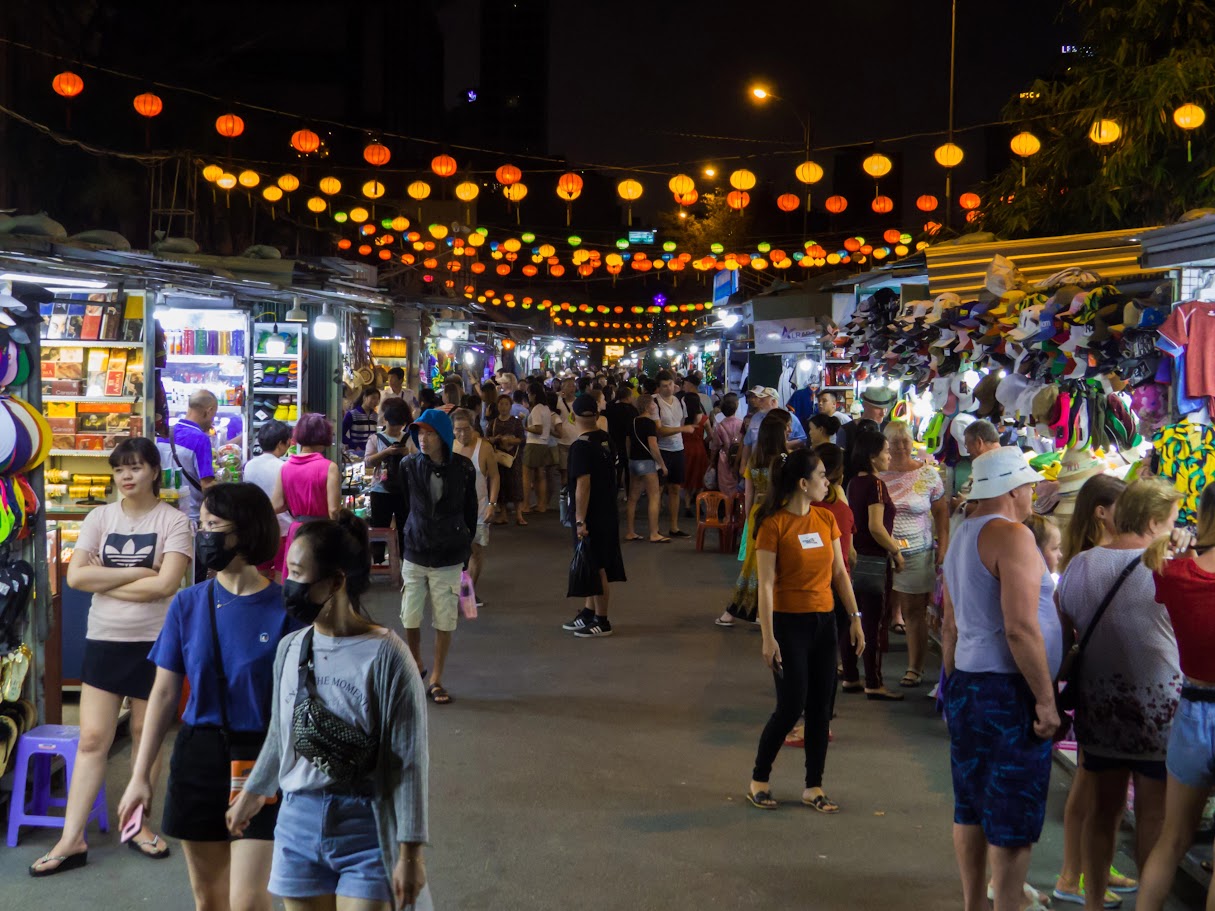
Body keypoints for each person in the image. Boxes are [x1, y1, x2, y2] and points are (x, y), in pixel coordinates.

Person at [225, 512, 429, 911]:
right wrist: (253, 793)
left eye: (299, 573)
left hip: (366, 824)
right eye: (288, 569)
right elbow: (283, 732)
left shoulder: (388, 657)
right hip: (297, 822)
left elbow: (409, 761)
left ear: (335, 581)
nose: (288, 583)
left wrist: (411, 854)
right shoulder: (290, 649)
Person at [117, 483, 295, 911]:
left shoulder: (287, 609)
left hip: (263, 758)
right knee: (210, 901)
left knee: (249, 901)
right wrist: (140, 776)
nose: (204, 534)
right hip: (199, 756)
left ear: (245, 532)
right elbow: (163, 694)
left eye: (214, 526)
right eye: (203, 525)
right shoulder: (188, 603)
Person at [30, 438, 193, 876]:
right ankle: (72, 838)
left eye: (136, 467)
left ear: (155, 472)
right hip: (104, 638)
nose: (126, 476)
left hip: (156, 642)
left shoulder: (175, 522)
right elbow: (77, 576)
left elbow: (167, 586)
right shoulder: (100, 516)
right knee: (91, 739)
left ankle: (137, 827)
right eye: (119, 469)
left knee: (146, 736)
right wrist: (141, 571)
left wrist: (110, 579)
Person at [940, 446, 1061, 911]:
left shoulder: (961, 533)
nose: (1032, 492)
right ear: (1014, 489)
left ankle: (975, 903)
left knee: (970, 805)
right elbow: (1020, 627)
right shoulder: (1012, 536)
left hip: (970, 683)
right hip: (1008, 690)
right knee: (1012, 813)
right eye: (1029, 485)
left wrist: (953, 688)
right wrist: (1046, 701)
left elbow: (949, 625)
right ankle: (1008, 903)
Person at [1056, 479, 1183, 911]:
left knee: (1103, 812)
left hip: (1100, 704)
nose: (1175, 528)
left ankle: (1092, 901)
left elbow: (1063, 627)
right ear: (1151, 521)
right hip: (1159, 709)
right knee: (1153, 817)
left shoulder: (1079, 565)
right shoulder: (1166, 568)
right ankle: (1150, 904)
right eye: (1170, 520)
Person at [746, 448, 865, 813]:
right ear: (803, 483)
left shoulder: (826, 521)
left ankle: (813, 786)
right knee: (790, 705)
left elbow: (840, 574)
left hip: (825, 623)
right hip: (788, 624)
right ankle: (759, 780)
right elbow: (764, 586)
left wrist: (855, 617)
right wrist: (768, 637)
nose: (827, 482)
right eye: (822, 476)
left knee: (819, 709)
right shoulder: (773, 525)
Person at [1051, 472, 1133, 907]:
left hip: (1108, 683)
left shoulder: (1096, 557)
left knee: (1105, 789)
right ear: (1102, 512)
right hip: (1097, 685)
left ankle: (1093, 864)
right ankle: (1070, 874)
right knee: (1087, 784)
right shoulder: (1089, 561)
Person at [1136, 483, 1215, 911]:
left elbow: (1169, 570)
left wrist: (1184, 550)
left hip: (1191, 712)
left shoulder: (1176, 574)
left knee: (1172, 840)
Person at [399, 408, 478, 705]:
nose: (422, 438)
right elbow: (405, 504)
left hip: (449, 553)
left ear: (442, 436)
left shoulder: (464, 468)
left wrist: (464, 543)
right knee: (410, 614)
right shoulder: (408, 466)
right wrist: (411, 532)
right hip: (415, 550)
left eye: (429, 433)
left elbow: (469, 509)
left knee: (445, 620)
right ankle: (417, 664)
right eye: (419, 432)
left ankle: (437, 679)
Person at [880, 421, 948, 688]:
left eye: (905, 441)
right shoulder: (878, 473)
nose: (900, 447)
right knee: (873, 606)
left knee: (913, 610)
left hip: (917, 551)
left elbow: (941, 513)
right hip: (880, 550)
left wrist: (943, 545)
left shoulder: (928, 474)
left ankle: (914, 667)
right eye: (895, 442)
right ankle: (860, 661)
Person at [844, 430, 905, 700]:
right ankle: (874, 681)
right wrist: (896, 551)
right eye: (886, 451)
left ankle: (851, 676)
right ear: (872, 456)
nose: (889, 455)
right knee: (874, 623)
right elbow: (876, 527)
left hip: (854, 557)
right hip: (875, 560)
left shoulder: (852, 483)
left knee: (852, 617)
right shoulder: (876, 485)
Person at [562, 396, 626, 638]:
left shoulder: (580, 447)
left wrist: (580, 519)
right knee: (590, 562)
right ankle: (589, 612)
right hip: (607, 510)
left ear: (573, 417)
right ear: (597, 416)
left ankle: (602, 619)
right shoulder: (606, 440)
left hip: (591, 515)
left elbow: (583, 485)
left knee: (596, 565)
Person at [717, 416, 789, 626]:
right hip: (781, 514)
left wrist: (749, 518)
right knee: (776, 564)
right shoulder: (786, 459)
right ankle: (753, 612)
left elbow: (748, 494)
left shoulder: (755, 460)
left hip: (758, 513)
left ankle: (743, 611)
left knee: (754, 562)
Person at [272, 414, 341, 577]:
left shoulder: (286, 467)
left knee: (296, 578)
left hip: (297, 530)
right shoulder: (329, 467)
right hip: (322, 532)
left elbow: (277, 505)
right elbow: (334, 510)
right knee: (322, 579)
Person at [452, 408, 500, 593]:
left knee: (475, 550)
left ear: (473, 427)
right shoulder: (449, 447)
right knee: (456, 550)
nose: (462, 433)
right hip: (454, 508)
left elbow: (495, 477)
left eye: (465, 429)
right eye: (458, 429)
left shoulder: (484, 448)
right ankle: (459, 588)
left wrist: (492, 504)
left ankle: (468, 591)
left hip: (479, 507)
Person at [365, 397, 413, 562]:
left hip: (404, 490)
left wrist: (407, 454)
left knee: (405, 528)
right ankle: (378, 560)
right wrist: (386, 453)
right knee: (379, 528)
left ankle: (405, 563)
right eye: (393, 424)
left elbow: (419, 462)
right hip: (380, 490)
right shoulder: (375, 439)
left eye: (399, 424)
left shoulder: (409, 438)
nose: (395, 429)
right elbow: (368, 461)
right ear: (386, 420)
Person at [244, 420, 293, 569]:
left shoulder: (249, 465)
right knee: (280, 574)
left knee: (260, 574)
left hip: (258, 529)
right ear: (280, 444)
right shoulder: (284, 467)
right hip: (282, 530)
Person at [654, 370, 696, 537]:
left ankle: (674, 526)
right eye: (664, 386)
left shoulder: (680, 402)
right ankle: (654, 527)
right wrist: (681, 429)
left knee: (675, 489)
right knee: (658, 489)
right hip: (661, 450)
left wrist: (680, 429)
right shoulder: (654, 403)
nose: (668, 388)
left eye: (670, 384)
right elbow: (659, 430)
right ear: (658, 388)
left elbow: (681, 421)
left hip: (678, 450)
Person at [624, 393, 669, 544]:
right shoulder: (650, 424)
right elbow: (653, 446)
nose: (654, 405)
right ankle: (654, 533)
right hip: (647, 463)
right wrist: (662, 464)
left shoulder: (633, 422)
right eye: (652, 403)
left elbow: (628, 443)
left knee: (632, 498)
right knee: (654, 497)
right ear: (646, 406)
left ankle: (630, 532)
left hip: (634, 462)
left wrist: (631, 458)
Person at [169, 389, 219, 523]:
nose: (212, 422)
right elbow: (206, 484)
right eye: (213, 416)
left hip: (165, 512)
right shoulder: (200, 439)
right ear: (208, 411)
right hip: (190, 516)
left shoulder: (166, 433)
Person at [738, 387, 808, 472]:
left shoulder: (789, 418)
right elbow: (747, 443)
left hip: (781, 467)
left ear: (773, 401)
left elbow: (803, 440)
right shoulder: (755, 418)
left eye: (762, 400)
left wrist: (784, 445)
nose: (759, 403)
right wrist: (743, 465)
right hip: (758, 465)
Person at [486, 393, 527, 526]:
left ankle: (519, 515)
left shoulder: (516, 422)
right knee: (501, 484)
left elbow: (522, 439)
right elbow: (487, 439)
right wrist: (495, 439)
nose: (503, 407)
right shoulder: (493, 423)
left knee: (516, 484)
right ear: (497, 406)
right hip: (498, 458)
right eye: (501, 404)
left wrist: (510, 440)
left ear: (510, 406)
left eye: (506, 404)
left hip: (513, 458)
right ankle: (503, 514)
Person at [521, 382, 554, 515]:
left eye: (529, 394)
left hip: (534, 443)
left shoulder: (536, 409)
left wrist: (524, 427)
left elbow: (538, 428)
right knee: (541, 476)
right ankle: (541, 504)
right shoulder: (546, 408)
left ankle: (526, 505)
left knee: (527, 476)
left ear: (533, 395)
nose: (528, 396)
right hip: (544, 444)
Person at [605, 383, 639, 491]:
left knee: (617, 466)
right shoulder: (633, 410)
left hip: (613, 440)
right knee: (627, 467)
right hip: (628, 442)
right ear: (628, 397)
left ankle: (615, 487)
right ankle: (628, 491)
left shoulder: (610, 407)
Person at [709, 393, 744, 495]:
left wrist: (711, 462)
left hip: (724, 459)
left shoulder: (720, 426)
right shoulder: (742, 424)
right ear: (736, 406)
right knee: (737, 484)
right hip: (739, 458)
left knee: (724, 487)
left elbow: (715, 446)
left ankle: (726, 506)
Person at [342, 386, 380, 454]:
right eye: (373, 398)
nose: (376, 401)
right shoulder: (352, 414)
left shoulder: (375, 416)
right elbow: (341, 434)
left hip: (372, 452)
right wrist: (354, 446)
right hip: (357, 452)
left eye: (378, 399)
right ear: (365, 397)